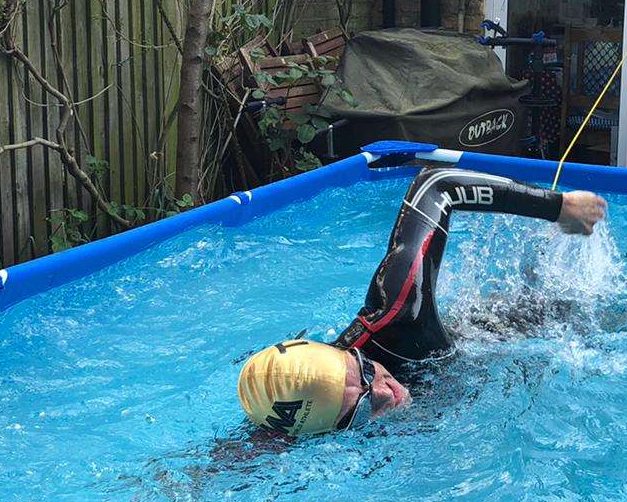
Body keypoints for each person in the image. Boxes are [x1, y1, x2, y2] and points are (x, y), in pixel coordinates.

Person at [236, 167, 608, 437]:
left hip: (512, 336)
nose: (386, 393)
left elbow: (436, 185)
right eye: (361, 411)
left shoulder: (398, 313)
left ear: (348, 354)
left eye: (367, 373)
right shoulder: (293, 429)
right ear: (328, 430)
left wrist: (557, 206)